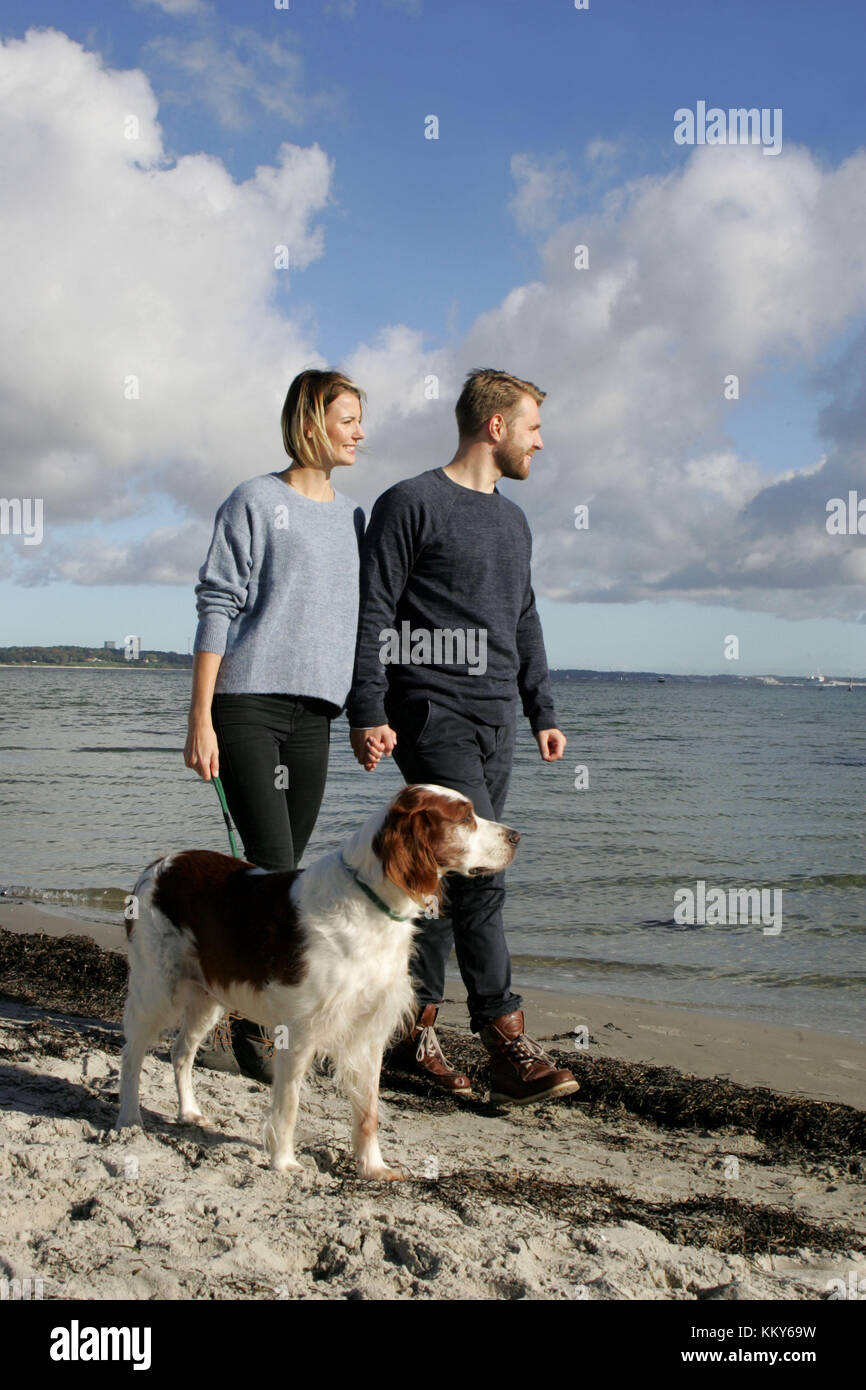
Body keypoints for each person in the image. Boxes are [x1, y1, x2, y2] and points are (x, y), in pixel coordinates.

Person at [347, 368, 578, 1105]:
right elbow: (374, 610)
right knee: (483, 869)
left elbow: (526, 617)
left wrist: (541, 708)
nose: (542, 441)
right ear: (497, 427)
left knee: (444, 876)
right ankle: (505, 1040)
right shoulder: (410, 503)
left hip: (496, 718)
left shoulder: (514, 522)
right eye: (534, 426)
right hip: (429, 709)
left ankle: (413, 1030)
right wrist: (367, 706)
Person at [184, 369, 366, 1081]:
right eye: (349, 418)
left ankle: (260, 1007)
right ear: (312, 421)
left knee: (289, 872)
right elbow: (218, 603)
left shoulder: (356, 519)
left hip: (316, 714)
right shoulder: (254, 499)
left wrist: (365, 716)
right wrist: (200, 716)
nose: (360, 432)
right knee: (275, 870)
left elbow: (357, 623)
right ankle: (265, 1030)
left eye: (361, 419)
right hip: (248, 702)